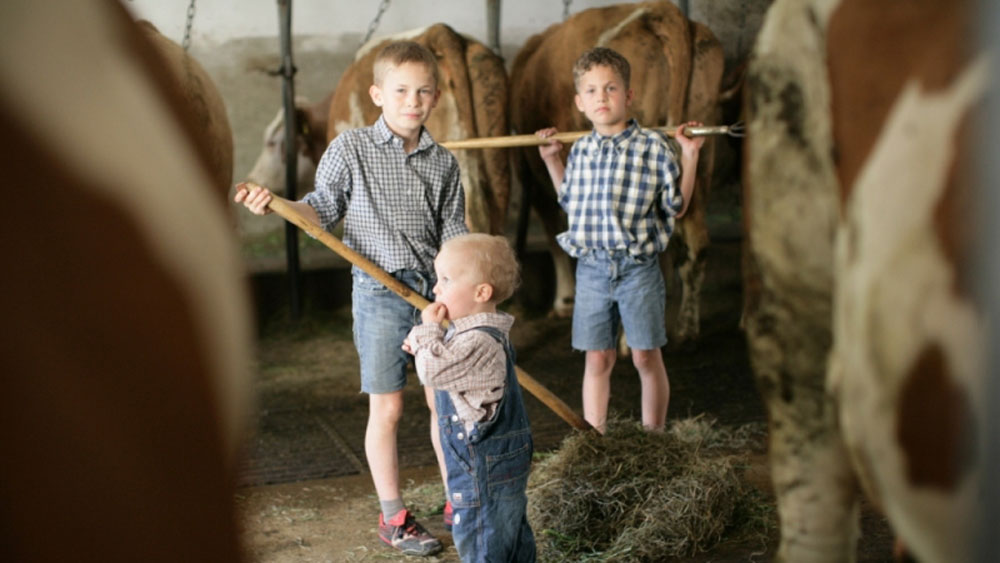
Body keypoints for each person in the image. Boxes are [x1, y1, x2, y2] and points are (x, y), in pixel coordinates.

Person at [235, 41, 467, 557]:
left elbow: (454, 236)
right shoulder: (350, 149)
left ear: (436, 97)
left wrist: (451, 295)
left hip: (432, 296)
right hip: (378, 293)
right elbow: (320, 208)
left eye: (423, 90)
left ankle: (458, 500)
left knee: (443, 402)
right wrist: (278, 204)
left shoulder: (444, 164)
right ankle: (394, 516)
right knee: (386, 407)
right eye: (401, 90)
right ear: (377, 94)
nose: (413, 100)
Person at [534, 46, 705, 433]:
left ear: (628, 96)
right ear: (580, 102)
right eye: (591, 91)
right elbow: (570, 202)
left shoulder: (652, 147)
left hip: (637, 269)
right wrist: (551, 160)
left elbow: (677, 206)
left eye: (611, 88)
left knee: (645, 356)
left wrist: (689, 155)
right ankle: (594, 437)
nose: (602, 97)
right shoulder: (581, 151)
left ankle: (654, 436)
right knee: (597, 359)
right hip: (592, 268)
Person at [402, 233, 536, 562]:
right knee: (509, 533)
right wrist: (426, 344)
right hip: (499, 460)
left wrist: (426, 332)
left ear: (482, 292)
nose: (435, 289)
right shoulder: (476, 334)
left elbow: (431, 371)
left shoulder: (478, 341)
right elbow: (440, 362)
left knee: (483, 539)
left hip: (481, 466)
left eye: (445, 279)